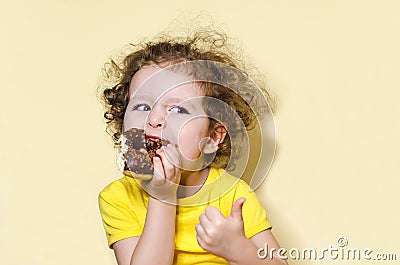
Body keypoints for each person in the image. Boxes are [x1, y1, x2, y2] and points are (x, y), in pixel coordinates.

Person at [98, 29, 287, 265]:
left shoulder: (233, 194)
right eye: (142, 106)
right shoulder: (119, 197)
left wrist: (239, 249)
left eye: (178, 109)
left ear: (210, 139)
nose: (154, 119)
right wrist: (163, 196)